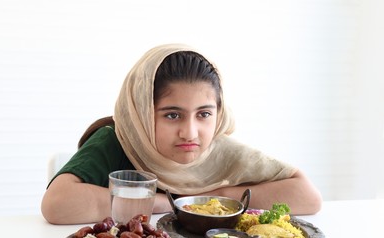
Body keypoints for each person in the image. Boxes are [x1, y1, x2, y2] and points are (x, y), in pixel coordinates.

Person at [41, 43, 322, 225]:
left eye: (204, 114)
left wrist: (213, 196)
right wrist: (164, 202)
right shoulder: (117, 141)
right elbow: (57, 205)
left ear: (219, 113)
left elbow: (307, 197)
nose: (190, 132)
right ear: (140, 111)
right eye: (172, 115)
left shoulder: (218, 150)